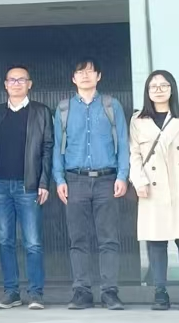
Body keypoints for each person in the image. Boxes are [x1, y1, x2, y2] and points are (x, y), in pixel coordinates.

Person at [53, 57, 130, 311]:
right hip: (75, 180)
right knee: (78, 239)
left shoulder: (111, 105)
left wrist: (122, 175)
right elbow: (57, 147)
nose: (85, 75)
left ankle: (109, 292)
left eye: (90, 71)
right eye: (80, 72)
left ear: (99, 76)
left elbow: (123, 142)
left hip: (107, 180)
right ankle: (82, 292)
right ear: (73, 78)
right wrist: (59, 179)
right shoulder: (63, 109)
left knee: (109, 239)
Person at [129, 70, 179, 311]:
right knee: (156, 241)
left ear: (172, 89)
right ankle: (160, 292)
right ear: (147, 91)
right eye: (153, 86)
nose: (159, 90)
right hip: (153, 186)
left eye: (164, 85)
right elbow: (134, 154)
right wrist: (139, 181)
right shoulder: (138, 120)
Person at [0, 65, 53, 310]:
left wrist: (44, 182)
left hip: (29, 185)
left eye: (21, 80)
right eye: (12, 80)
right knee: (5, 240)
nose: (16, 83)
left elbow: (48, 148)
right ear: (5, 85)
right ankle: (11, 292)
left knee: (32, 242)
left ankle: (35, 293)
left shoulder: (41, 112)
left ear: (29, 84)